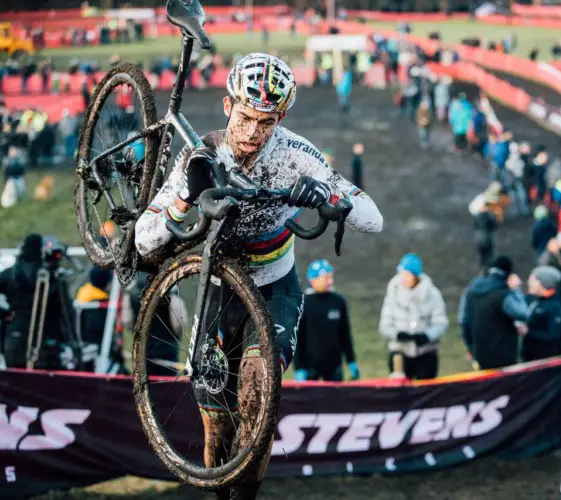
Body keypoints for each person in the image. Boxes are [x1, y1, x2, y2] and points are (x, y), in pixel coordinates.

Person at [134, 53, 383, 496]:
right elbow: (144, 240)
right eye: (246, 117)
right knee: (216, 422)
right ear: (229, 105)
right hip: (219, 293)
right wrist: (184, 200)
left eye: (265, 123)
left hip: (274, 290)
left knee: (256, 394)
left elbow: (373, 218)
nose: (252, 133)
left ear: (280, 118)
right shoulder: (202, 156)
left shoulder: (296, 154)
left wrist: (326, 193)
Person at [0, 234, 66, 370]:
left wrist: (5, 314)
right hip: (44, 333)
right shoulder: (50, 275)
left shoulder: (8, 274)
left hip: (15, 332)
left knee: (16, 376)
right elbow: (60, 309)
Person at [379, 253, 448, 380]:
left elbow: (440, 322)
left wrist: (427, 336)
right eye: (401, 274)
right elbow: (385, 323)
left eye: (407, 275)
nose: (403, 278)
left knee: (426, 394)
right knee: (400, 395)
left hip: (426, 353)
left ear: (416, 276)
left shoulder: (432, 294)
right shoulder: (393, 292)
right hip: (399, 354)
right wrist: (397, 334)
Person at [293, 260, 359, 382]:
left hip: (334, 365)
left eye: (331, 277)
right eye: (326, 278)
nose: (330, 281)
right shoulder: (303, 303)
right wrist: (299, 367)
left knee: (335, 400)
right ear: (313, 280)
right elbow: (297, 338)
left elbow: (345, 334)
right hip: (310, 367)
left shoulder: (338, 302)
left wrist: (351, 361)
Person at [459, 256, 528, 369]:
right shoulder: (502, 295)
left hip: (480, 353)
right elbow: (523, 313)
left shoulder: (471, 292)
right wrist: (516, 289)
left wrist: (470, 348)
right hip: (505, 356)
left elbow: (464, 321)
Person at [522, 266, 561, 361]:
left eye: (532, 280)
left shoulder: (555, 306)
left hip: (543, 360)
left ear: (543, 283)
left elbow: (554, 335)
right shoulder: (531, 299)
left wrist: (528, 332)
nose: (529, 283)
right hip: (528, 357)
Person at [75, 266, 114, 371]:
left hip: (82, 350)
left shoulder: (83, 294)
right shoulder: (99, 305)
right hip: (94, 356)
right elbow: (98, 333)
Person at [468, 183, 502, 270]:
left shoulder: (478, 216)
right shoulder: (488, 216)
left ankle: (481, 269)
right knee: (489, 257)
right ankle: (487, 270)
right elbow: (494, 225)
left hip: (478, 238)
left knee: (482, 256)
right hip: (487, 239)